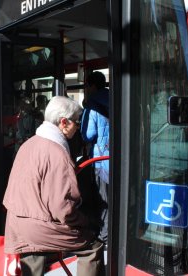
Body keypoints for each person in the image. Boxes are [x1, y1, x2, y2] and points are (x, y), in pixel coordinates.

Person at [3, 96, 104, 276]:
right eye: (77, 122)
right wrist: (85, 222)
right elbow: (62, 208)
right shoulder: (57, 152)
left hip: (16, 224)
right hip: (38, 228)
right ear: (63, 122)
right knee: (92, 247)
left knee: (32, 265)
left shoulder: (29, 144)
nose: (78, 127)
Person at [80, 71, 110, 250]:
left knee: (102, 198)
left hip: (101, 160)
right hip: (118, 157)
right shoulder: (116, 97)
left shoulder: (92, 104)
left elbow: (87, 134)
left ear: (91, 86)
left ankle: (105, 235)